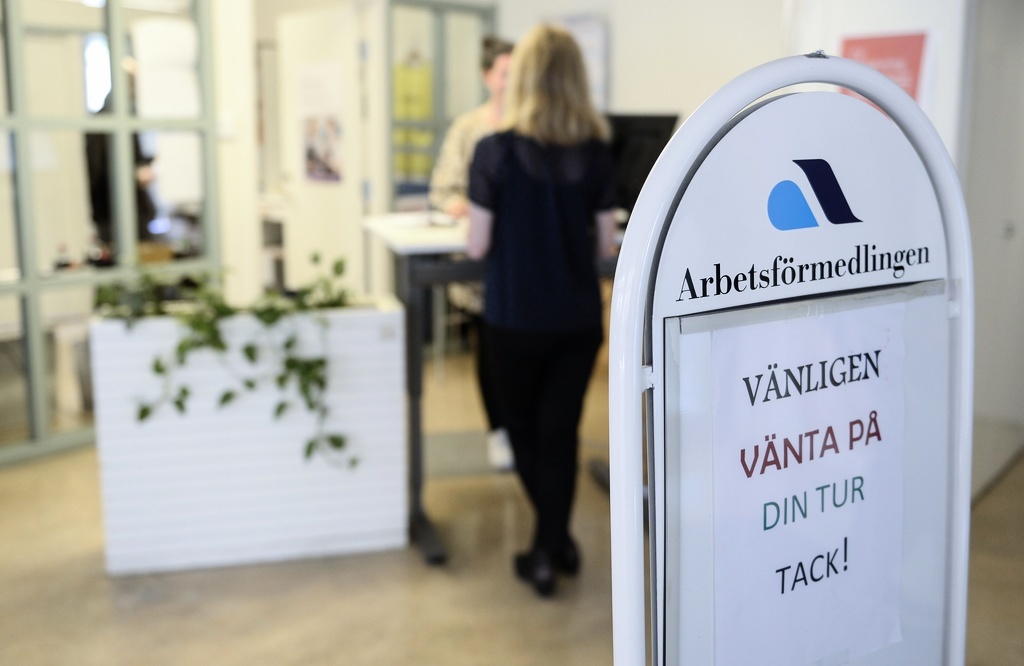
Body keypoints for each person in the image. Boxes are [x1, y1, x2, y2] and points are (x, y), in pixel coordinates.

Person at [466, 24, 616, 598]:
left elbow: (477, 246)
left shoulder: (495, 152)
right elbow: (606, 245)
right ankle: (557, 541)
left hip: (514, 318)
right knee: (561, 434)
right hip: (576, 319)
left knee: (524, 433)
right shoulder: (596, 154)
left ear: (523, 78)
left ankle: (545, 552)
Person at [428, 36, 514, 470]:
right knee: (492, 353)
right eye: (504, 73)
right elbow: (442, 191)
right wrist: (465, 205)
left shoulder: (536, 124)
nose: (511, 82)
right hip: (483, 265)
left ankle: (526, 430)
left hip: (524, 263)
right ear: (486, 76)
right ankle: (499, 430)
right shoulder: (468, 129)